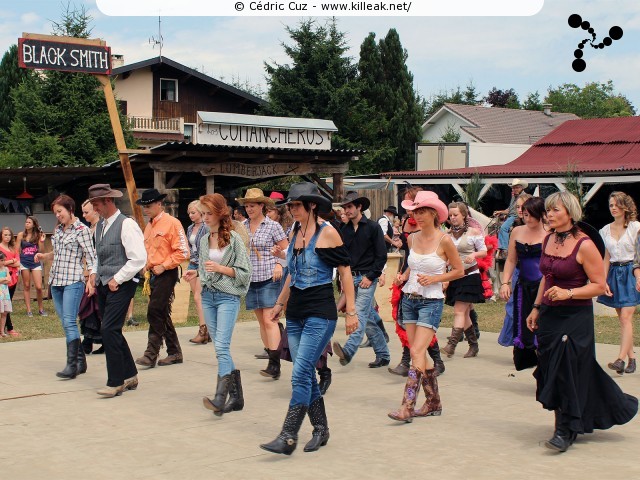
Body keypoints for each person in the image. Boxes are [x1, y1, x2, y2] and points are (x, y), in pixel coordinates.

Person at [526, 191, 637, 452]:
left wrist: (569, 293)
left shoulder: (585, 244)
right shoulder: (549, 239)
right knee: (552, 367)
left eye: (556, 210)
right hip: (550, 316)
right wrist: (536, 307)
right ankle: (605, 407)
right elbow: (547, 277)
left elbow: (600, 285)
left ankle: (564, 430)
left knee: (566, 369)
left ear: (570, 213)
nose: (550, 215)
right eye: (549, 210)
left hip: (575, 316)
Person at [259, 182, 358, 455]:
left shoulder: (329, 234)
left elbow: (346, 272)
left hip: (321, 313)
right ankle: (321, 430)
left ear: (312, 205)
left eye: (296, 205)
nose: (291, 210)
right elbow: (292, 270)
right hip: (296, 313)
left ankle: (288, 435)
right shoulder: (294, 230)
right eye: (289, 206)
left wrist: (351, 311)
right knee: (305, 375)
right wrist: (280, 303)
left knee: (301, 372)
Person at [388, 191, 463, 422]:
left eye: (421, 211)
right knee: (418, 353)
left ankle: (407, 406)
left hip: (431, 302)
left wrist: (436, 280)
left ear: (433, 213)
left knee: (417, 352)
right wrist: (404, 275)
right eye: (414, 211)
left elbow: (459, 271)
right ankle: (433, 402)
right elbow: (414, 264)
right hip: (409, 299)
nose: (416, 216)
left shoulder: (445, 240)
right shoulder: (411, 238)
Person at [183, 194, 251, 417]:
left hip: (228, 298)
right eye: (202, 213)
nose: (204, 217)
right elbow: (205, 269)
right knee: (220, 348)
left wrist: (221, 269)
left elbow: (244, 274)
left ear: (220, 214)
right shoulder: (204, 240)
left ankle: (220, 398)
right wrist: (197, 273)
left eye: (208, 213)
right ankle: (237, 397)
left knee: (221, 346)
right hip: (209, 297)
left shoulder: (234, 239)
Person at [88, 184, 147, 397]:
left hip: (122, 283)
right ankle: (130, 374)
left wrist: (118, 278)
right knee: (112, 330)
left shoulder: (127, 225)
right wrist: (94, 272)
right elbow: (98, 255)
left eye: (97, 205)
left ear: (108, 201)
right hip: (104, 282)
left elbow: (138, 258)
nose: (95, 209)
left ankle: (116, 381)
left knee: (108, 330)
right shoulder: (101, 226)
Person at [34, 195, 96, 379]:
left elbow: (91, 256)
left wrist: (92, 279)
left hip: (73, 282)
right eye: (55, 213)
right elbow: (60, 253)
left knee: (69, 322)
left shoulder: (81, 230)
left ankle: (72, 366)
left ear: (70, 210)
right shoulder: (59, 230)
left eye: (60, 212)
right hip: (56, 282)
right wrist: (45, 256)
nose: (57, 216)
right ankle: (80, 361)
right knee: (65, 322)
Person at [332, 191, 390, 368]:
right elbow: (342, 257)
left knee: (359, 314)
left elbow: (381, 256)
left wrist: (371, 276)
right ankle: (383, 355)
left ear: (359, 207)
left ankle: (348, 351)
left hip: (367, 278)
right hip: (350, 278)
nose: (346, 210)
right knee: (369, 318)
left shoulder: (373, 227)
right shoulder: (344, 229)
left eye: (349, 207)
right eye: (345, 207)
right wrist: (343, 279)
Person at [135, 188, 190, 368]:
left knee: (155, 310)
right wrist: (146, 266)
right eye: (144, 206)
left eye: (149, 206)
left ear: (159, 204)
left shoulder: (172, 223)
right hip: (153, 273)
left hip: (167, 272)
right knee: (161, 312)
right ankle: (174, 352)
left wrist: (164, 265)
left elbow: (183, 251)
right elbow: (148, 249)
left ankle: (151, 353)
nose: (146, 209)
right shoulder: (150, 225)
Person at [237, 188, 288, 379]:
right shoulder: (242, 226)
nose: (249, 209)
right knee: (261, 321)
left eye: (252, 205)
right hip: (251, 278)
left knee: (270, 319)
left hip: (269, 275)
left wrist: (278, 264)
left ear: (262, 206)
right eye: (247, 206)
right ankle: (271, 352)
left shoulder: (273, 226)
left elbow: (286, 249)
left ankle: (274, 364)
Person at [499, 197, 546, 370]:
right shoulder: (517, 231)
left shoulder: (550, 233)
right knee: (523, 325)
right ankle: (529, 359)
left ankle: (545, 365)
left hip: (543, 287)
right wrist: (505, 282)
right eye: (525, 215)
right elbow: (511, 260)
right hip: (523, 286)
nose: (528, 219)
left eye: (532, 215)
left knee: (542, 327)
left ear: (542, 215)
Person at [598, 192, 640, 374]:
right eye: (610, 205)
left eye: (616, 204)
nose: (613, 208)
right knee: (622, 321)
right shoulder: (605, 230)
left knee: (626, 317)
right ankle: (632, 359)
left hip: (632, 271)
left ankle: (620, 360)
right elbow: (606, 257)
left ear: (625, 206)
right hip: (614, 274)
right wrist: (603, 280)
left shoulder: (635, 227)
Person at [442, 201, 487, 358]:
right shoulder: (447, 234)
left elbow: (484, 251)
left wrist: (473, 255)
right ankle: (473, 346)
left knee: (459, 311)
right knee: (465, 313)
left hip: (470, 275)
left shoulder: (473, 232)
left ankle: (451, 345)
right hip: (455, 276)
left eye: (456, 215)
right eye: (451, 215)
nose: (453, 218)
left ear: (464, 215)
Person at [497, 192, 532, 347]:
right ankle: (515, 340)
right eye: (517, 206)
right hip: (518, 272)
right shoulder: (516, 228)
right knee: (513, 307)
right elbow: (511, 259)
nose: (519, 209)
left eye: (522, 206)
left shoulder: (543, 229)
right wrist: (505, 281)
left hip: (536, 275)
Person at [79, 200, 104, 354]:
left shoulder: (101, 228)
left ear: (95, 210)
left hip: (99, 274)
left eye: (86, 212)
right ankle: (88, 341)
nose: (84, 215)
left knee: (97, 309)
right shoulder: (90, 229)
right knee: (89, 308)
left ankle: (100, 341)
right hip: (89, 273)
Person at [186, 200, 210, 345]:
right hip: (192, 262)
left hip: (203, 263)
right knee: (198, 298)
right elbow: (190, 245)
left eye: (193, 212)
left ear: (201, 212)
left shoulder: (206, 227)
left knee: (198, 297)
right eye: (189, 213)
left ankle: (203, 331)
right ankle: (207, 328)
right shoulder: (190, 228)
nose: (190, 215)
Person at [16, 216, 47, 316]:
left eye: (29, 222)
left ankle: (41, 309)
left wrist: (42, 241)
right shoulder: (21, 235)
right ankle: (29, 310)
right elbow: (17, 250)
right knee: (27, 285)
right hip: (24, 261)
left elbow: (41, 251)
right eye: (26, 222)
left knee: (38, 287)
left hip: (35, 262)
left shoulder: (37, 235)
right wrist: (17, 262)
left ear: (34, 224)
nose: (27, 224)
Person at [494, 179, 528, 256]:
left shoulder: (523, 197)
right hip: (511, 215)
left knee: (503, 228)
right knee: (496, 225)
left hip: (515, 216)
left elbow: (515, 211)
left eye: (516, 188)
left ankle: (504, 248)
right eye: (513, 188)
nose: (514, 189)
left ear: (521, 188)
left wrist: (504, 212)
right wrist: (500, 211)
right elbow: (510, 208)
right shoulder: (514, 196)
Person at [0, 227, 20, 336]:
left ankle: (8, 327)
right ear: (1, 236)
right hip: (2, 281)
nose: (7, 237)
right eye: (5, 235)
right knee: (3, 305)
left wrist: (7, 262)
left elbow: (18, 263)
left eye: (9, 235)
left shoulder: (13, 249)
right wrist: (12, 261)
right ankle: (9, 327)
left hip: (13, 278)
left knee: (8, 303)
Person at [0, 252, 13, 338]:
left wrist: (3, 279)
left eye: (4, 260)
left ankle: (2, 331)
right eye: (1, 260)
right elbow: (6, 279)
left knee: (4, 312)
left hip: (5, 292)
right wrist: (5, 279)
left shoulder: (6, 269)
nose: (3, 262)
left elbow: (9, 280)